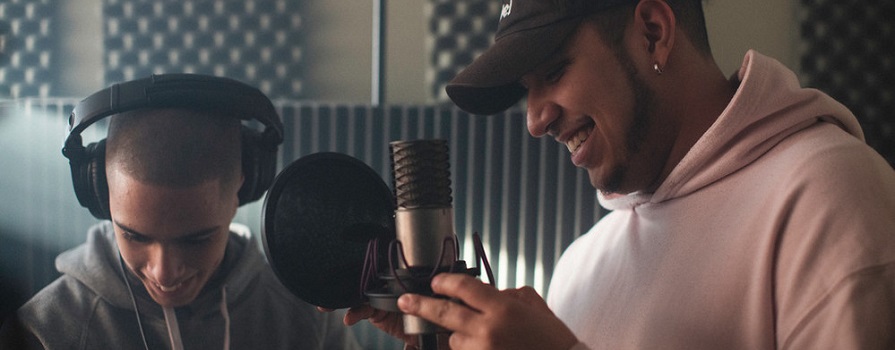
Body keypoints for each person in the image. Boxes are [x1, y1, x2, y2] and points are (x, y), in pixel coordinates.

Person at [344, 0, 895, 349]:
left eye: (554, 72)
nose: (535, 121)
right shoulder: (580, 264)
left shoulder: (833, 195)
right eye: (525, 91)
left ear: (653, 31)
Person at [0, 75, 361, 349]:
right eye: (134, 235)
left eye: (196, 239)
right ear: (102, 196)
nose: (164, 272)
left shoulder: (308, 321)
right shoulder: (44, 332)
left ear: (241, 190)